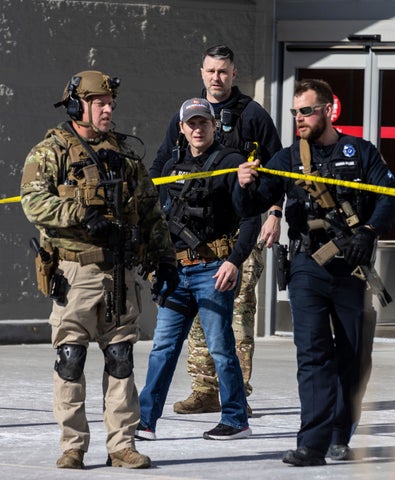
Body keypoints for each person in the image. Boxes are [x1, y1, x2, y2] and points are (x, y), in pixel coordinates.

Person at [19, 70, 179, 469]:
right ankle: (73, 445)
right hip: (75, 273)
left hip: (120, 272)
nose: (108, 110)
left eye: (111, 103)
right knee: (70, 357)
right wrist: (81, 215)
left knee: (121, 358)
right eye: (99, 103)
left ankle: (122, 444)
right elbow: (32, 202)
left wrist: (164, 259)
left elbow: (150, 211)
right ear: (77, 105)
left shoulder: (125, 155)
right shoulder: (51, 151)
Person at [237, 79, 395, 466]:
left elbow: (390, 199)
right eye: (295, 112)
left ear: (329, 110)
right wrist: (245, 184)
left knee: (354, 356)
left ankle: (340, 433)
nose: (299, 119)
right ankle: (312, 442)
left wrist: (369, 231)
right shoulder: (291, 158)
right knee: (312, 355)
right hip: (308, 266)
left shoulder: (360, 152)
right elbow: (257, 200)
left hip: (351, 268)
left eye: (307, 111)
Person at [151, 44, 283, 417]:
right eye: (210, 71)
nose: (216, 78)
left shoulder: (253, 115)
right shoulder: (188, 116)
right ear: (202, 72)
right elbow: (161, 164)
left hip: (241, 230)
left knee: (237, 314)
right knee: (197, 316)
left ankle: (236, 394)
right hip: (193, 238)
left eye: (223, 72)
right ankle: (205, 390)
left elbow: (277, 169)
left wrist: (274, 212)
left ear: (234, 74)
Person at [135, 97, 256, 441]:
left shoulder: (230, 163)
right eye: (191, 123)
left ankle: (235, 420)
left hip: (213, 269)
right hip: (176, 271)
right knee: (163, 347)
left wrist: (234, 261)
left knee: (220, 346)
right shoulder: (171, 165)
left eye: (204, 122)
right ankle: (145, 422)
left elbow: (249, 219)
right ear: (182, 128)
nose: (197, 128)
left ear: (214, 126)